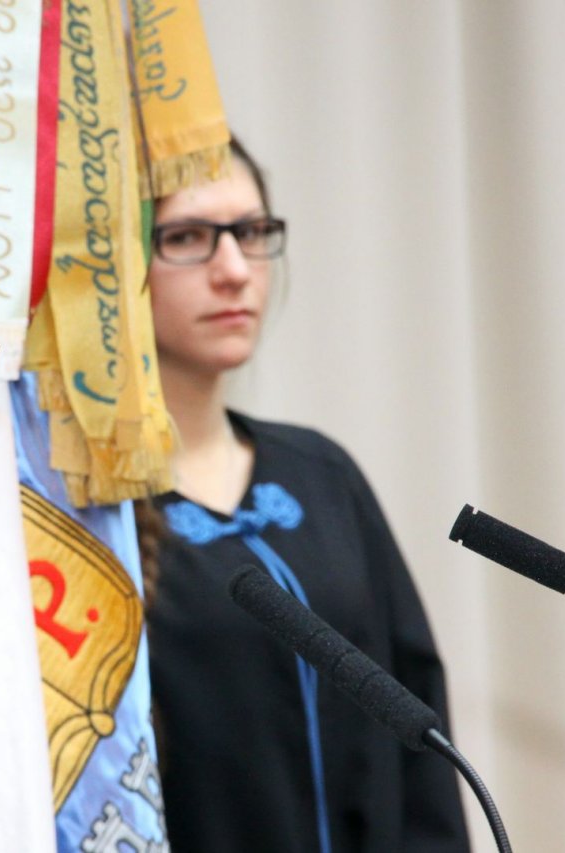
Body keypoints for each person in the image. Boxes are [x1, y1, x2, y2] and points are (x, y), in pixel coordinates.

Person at [138, 137, 470, 851]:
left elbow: (420, 726)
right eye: (187, 237)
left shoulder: (320, 473)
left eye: (252, 232)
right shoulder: (88, 509)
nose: (234, 269)